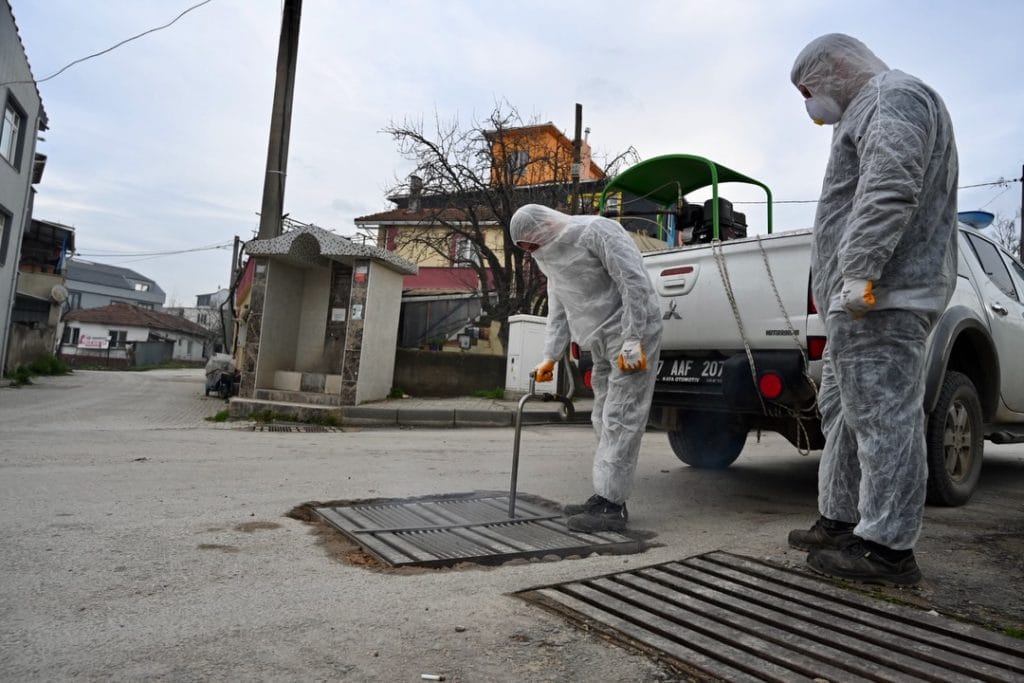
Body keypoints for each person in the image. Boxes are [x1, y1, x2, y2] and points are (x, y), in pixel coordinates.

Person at [788, 34, 959, 585]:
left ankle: (888, 549)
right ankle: (841, 522)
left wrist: (860, 270)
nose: (809, 104)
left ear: (835, 68)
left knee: (884, 416)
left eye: (807, 89)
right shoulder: (865, 110)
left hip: (883, 294)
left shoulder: (890, 96)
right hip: (860, 299)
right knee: (844, 411)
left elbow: (890, 183)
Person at [510, 204, 662, 532]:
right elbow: (560, 307)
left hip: (630, 334)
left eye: (533, 244)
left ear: (545, 225)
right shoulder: (550, 257)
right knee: (602, 416)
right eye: (527, 249)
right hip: (601, 342)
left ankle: (611, 506)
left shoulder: (597, 232)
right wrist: (550, 356)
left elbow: (633, 282)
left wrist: (634, 337)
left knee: (622, 418)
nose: (533, 251)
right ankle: (604, 494)